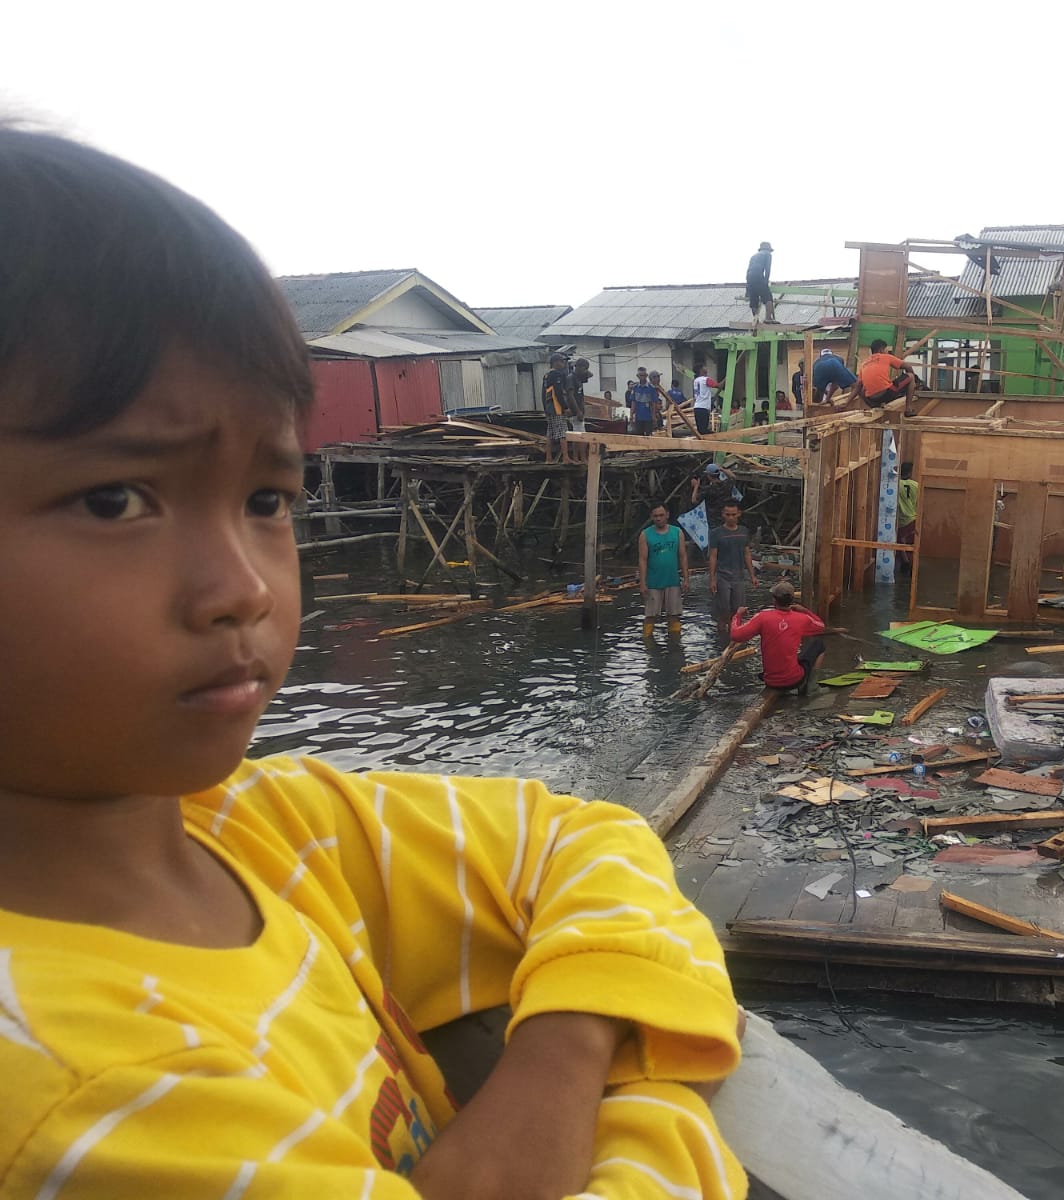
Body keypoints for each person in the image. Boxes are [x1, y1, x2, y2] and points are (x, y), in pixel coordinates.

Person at [0, 128, 746, 1199]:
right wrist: (654, 1080)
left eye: (268, 500)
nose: (246, 587)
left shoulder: (260, 828)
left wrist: (561, 1051)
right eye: (116, 500)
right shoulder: (83, 1097)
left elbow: (593, 835)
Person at [731, 582, 826, 693]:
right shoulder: (802, 618)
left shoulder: (762, 617)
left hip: (771, 680)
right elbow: (821, 626)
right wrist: (804, 610)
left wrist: (737, 615)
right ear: (791, 600)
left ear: (774, 600)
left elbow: (735, 635)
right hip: (794, 679)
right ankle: (811, 685)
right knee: (819, 644)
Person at [707, 500, 759, 637]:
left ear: (739, 514)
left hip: (739, 576)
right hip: (723, 576)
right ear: (723, 514)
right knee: (723, 610)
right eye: (727, 514)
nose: (730, 517)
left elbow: (747, 553)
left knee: (739, 610)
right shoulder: (716, 533)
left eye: (733, 514)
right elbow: (713, 556)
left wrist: (752, 575)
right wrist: (712, 579)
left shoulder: (743, 531)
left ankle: (735, 635)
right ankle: (722, 637)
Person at [637, 504, 688, 638]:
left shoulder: (677, 532)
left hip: (672, 580)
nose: (658, 518)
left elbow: (682, 556)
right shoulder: (645, 534)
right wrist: (642, 583)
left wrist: (686, 578)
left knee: (674, 615)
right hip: (653, 581)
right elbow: (642, 560)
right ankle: (647, 642)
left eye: (661, 515)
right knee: (650, 615)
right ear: (651, 517)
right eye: (655, 516)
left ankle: (675, 642)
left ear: (667, 515)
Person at [858, 338, 918, 409]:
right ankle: (908, 408)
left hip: (871, 399)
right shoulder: (886, 357)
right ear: (881, 350)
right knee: (911, 376)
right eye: (886, 350)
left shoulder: (864, 364)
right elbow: (908, 366)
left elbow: (858, 386)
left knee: (862, 389)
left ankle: (874, 406)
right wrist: (913, 383)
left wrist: (847, 403)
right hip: (886, 394)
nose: (887, 352)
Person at [541, 350, 574, 463]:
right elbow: (558, 393)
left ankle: (548, 458)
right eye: (562, 361)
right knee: (562, 433)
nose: (564, 364)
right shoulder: (556, 375)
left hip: (549, 408)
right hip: (557, 408)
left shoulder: (546, 375)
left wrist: (545, 409)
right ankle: (565, 457)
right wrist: (565, 407)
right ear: (555, 362)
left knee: (550, 434)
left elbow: (542, 394)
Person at [896, 460, 919, 571]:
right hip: (913, 519)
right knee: (911, 544)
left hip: (901, 521)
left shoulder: (896, 484)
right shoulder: (916, 485)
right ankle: (911, 566)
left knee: (901, 543)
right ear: (910, 473)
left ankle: (906, 564)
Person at [745, 240, 775, 327]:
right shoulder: (767, 254)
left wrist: (747, 288)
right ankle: (768, 318)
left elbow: (748, 270)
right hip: (758, 276)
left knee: (753, 299)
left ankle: (755, 319)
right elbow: (767, 269)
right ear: (768, 249)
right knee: (768, 297)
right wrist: (766, 281)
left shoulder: (753, 256)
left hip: (749, 277)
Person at [627, 367, 660, 435]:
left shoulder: (651, 388)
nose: (642, 377)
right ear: (637, 376)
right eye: (640, 375)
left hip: (648, 418)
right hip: (638, 417)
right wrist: (631, 416)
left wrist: (654, 417)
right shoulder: (635, 388)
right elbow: (633, 403)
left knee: (648, 437)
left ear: (646, 376)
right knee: (639, 437)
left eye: (643, 375)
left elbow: (654, 404)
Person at [692, 365, 722, 435]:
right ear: (701, 370)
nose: (706, 368)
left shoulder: (695, 380)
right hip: (704, 408)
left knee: (701, 430)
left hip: (697, 407)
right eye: (704, 367)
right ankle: (715, 437)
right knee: (704, 430)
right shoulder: (705, 379)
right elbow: (718, 386)